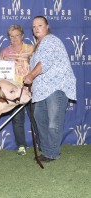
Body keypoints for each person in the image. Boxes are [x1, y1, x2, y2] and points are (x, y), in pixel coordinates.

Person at [23, 16, 76, 162]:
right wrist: (30, 87)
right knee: (40, 118)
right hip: (41, 90)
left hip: (56, 87)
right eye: (34, 26)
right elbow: (37, 65)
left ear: (47, 26)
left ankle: (52, 153)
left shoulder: (51, 40)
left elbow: (44, 63)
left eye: (40, 25)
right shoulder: (38, 45)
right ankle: (47, 151)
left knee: (53, 121)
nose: (36, 28)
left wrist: (31, 76)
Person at [0, 24, 38, 155]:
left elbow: (39, 67)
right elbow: (1, 75)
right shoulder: (5, 52)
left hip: (31, 89)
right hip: (14, 92)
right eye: (12, 36)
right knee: (17, 119)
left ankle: (42, 143)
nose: (15, 38)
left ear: (22, 35)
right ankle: (21, 145)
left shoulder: (32, 49)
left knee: (36, 117)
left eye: (17, 35)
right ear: (9, 37)